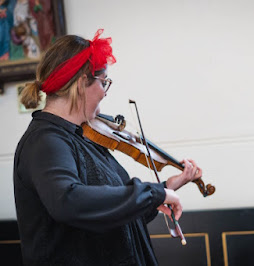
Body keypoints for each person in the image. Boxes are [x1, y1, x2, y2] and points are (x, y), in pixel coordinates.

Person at [14, 29, 202, 265]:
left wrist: (164, 189)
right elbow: (69, 202)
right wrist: (152, 194)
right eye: (104, 83)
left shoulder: (82, 139)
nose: (105, 93)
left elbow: (109, 211)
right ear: (83, 83)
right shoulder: (46, 141)